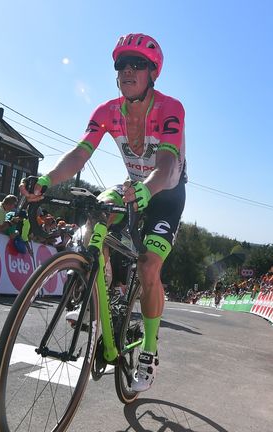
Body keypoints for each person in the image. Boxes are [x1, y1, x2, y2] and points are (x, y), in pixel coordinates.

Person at [20, 33, 185, 392]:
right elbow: (80, 153)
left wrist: (149, 188)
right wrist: (46, 181)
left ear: (152, 73)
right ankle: (100, 299)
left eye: (137, 64)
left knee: (148, 265)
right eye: (122, 65)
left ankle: (149, 349)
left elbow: (170, 165)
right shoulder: (107, 112)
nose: (128, 70)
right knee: (95, 215)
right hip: (131, 185)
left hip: (166, 192)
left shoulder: (171, 107)